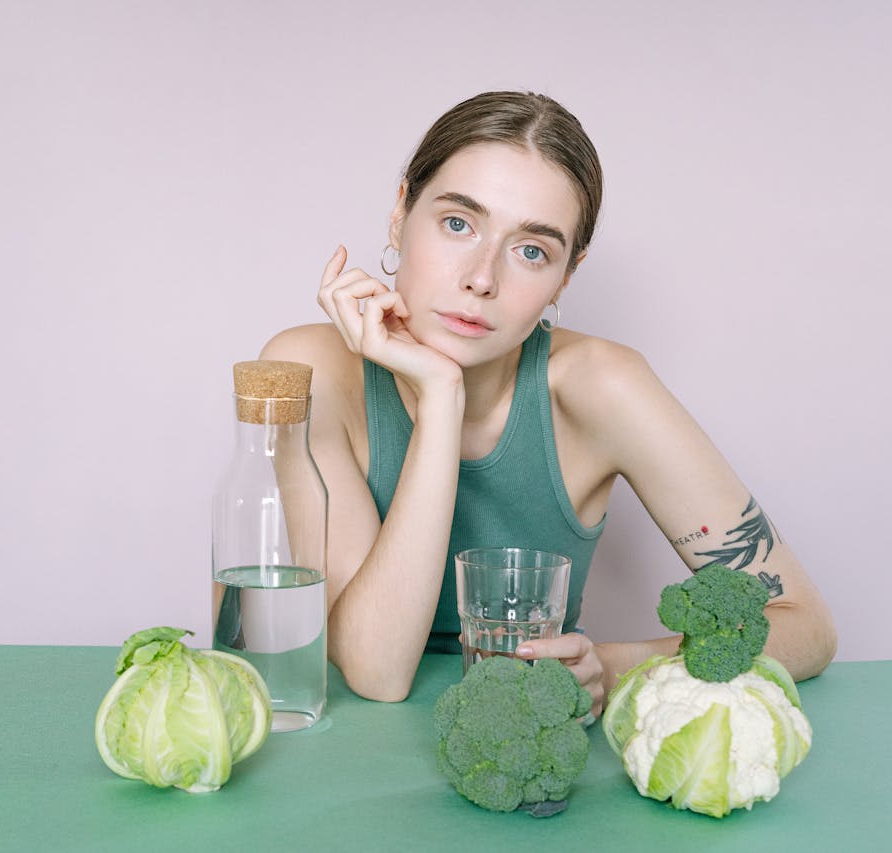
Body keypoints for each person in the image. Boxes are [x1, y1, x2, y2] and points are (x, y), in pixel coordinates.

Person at [259, 91, 836, 713]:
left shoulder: (603, 385)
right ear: (400, 213)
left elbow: (805, 626)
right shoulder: (308, 372)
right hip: (350, 753)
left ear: (567, 274)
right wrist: (441, 394)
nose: (482, 278)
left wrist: (613, 667)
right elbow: (377, 669)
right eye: (458, 223)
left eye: (531, 250)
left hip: (537, 745)